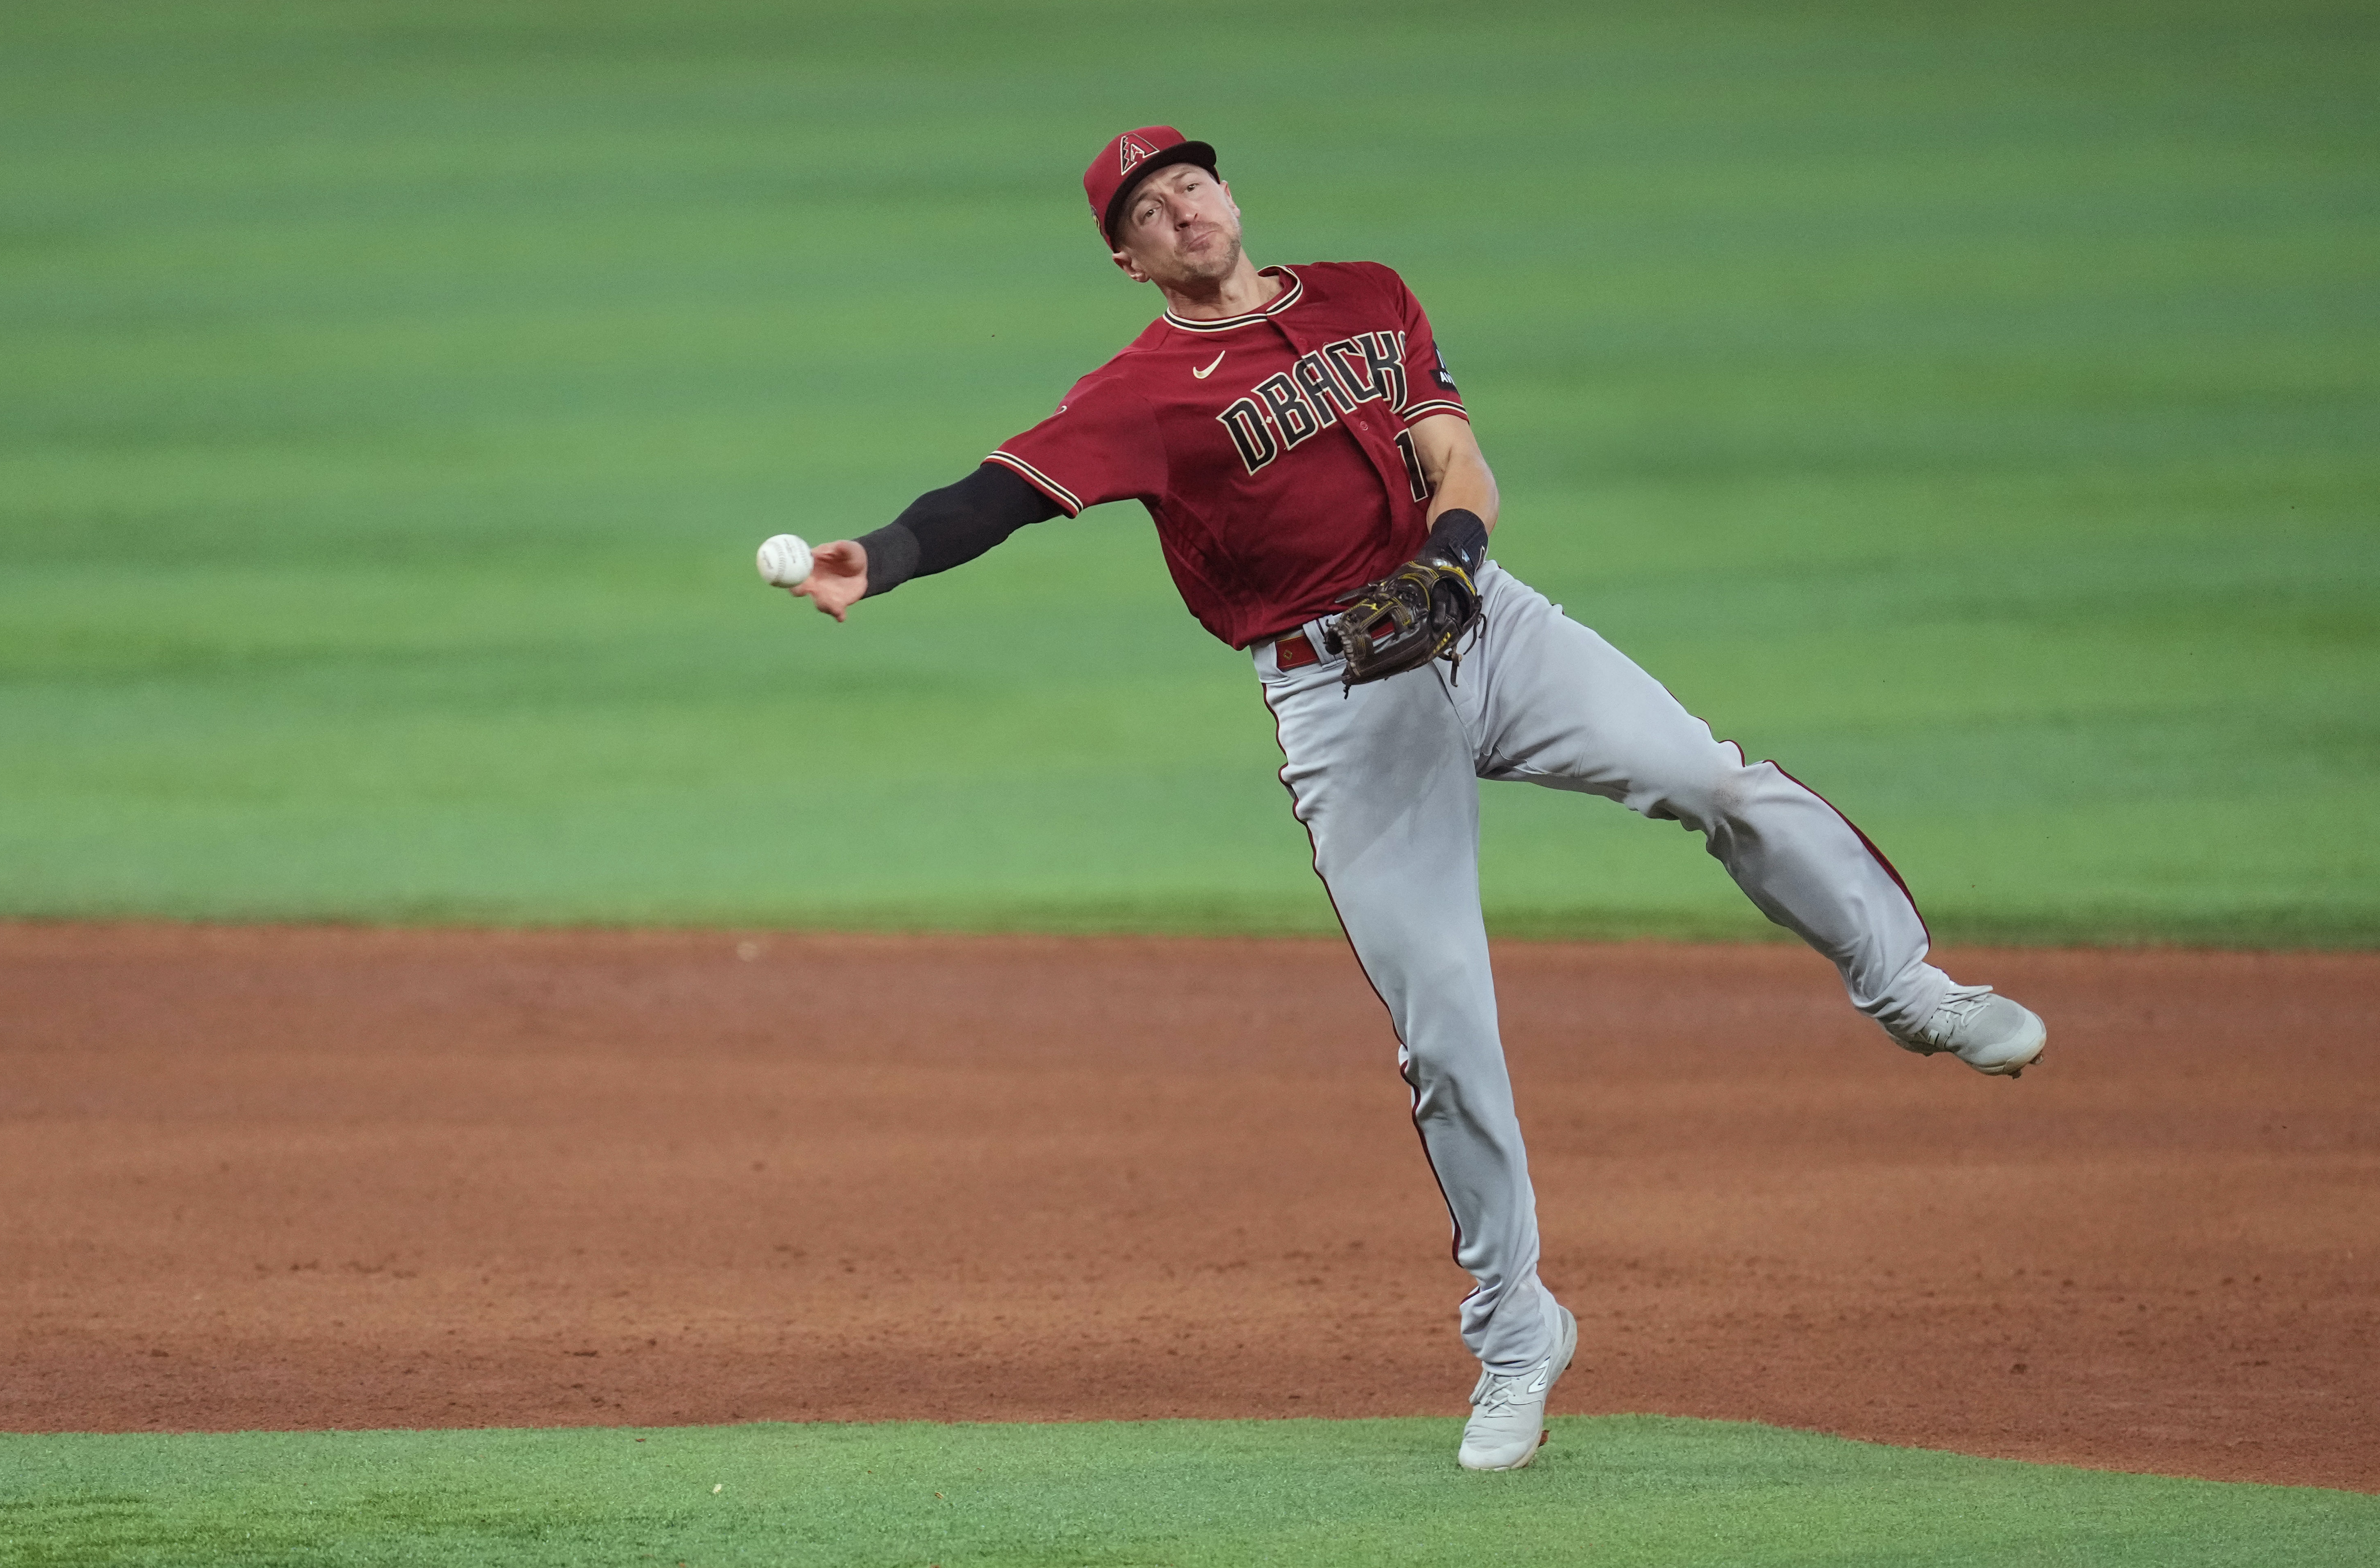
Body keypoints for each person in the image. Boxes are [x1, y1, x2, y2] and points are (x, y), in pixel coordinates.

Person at [787, 126, 2047, 1471]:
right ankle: (1518, 1330)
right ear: (1128, 259)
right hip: (1342, 703)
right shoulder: (1145, 392)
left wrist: (1452, 559)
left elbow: (1462, 462)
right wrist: (889, 556)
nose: (1184, 210)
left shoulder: (1367, 295)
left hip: (1483, 622)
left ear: (1228, 193)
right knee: (1445, 1028)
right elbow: (1005, 494)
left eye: (1192, 183)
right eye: (1150, 210)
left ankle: (1907, 984)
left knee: (1704, 773)